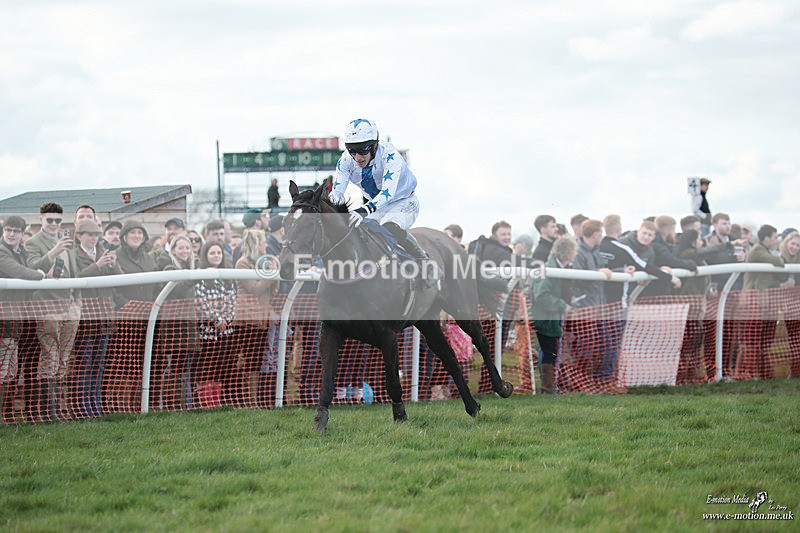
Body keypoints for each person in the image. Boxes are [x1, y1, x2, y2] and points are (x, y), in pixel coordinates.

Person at [330, 118, 429, 265]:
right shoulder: (345, 161)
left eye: (362, 150)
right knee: (357, 231)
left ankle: (422, 260)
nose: (357, 157)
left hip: (404, 201)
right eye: (352, 150)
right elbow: (336, 194)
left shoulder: (390, 156)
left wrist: (363, 211)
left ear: (374, 146)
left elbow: (387, 194)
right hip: (377, 206)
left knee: (389, 227)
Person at [25, 202, 80, 421]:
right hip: (47, 307)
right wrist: (54, 251)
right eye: (50, 220)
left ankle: (60, 408)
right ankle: (46, 411)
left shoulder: (68, 243)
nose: (54, 224)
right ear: (41, 220)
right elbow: (32, 268)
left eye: (58, 220)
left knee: (64, 358)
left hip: (69, 307)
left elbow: (74, 274)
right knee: (50, 356)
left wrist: (77, 302)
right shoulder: (32, 242)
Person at [69, 219, 122, 417]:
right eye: (89, 235)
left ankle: (95, 404)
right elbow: (76, 279)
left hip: (105, 315)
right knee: (84, 362)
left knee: (99, 363)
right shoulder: (74, 254)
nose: (94, 238)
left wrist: (114, 264)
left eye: (96, 235)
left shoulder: (104, 252)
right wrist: (98, 265)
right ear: (79, 236)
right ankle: (82, 407)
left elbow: (120, 278)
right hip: (86, 315)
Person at [109, 220, 158, 412]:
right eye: (132, 233)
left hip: (146, 319)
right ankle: (121, 406)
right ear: (124, 237)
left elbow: (155, 286)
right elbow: (111, 285)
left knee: (143, 360)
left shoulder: (149, 259)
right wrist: (124, 304)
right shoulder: (116, 256)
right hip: (124, 319)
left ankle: (140, 403)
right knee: (124, 362)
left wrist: (153, 304)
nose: (136, 236)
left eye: (140, 233)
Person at [0, 216, 45, 424]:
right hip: (4, 319)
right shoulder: (2, 251)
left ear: (22, 233)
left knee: (10, 368)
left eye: (16, 231)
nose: (11, 234)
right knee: (4, 367)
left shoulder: (22, 252)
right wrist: (40, 274)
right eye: (8, 229)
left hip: (15, 320)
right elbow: (18, 272)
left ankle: (6, 414)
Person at [739, 225, 789, 380]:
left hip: (763, 301)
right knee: (752, 340)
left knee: (763, 339)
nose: (776, 240)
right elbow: (778, 262)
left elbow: (780, 274)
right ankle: (748, 373)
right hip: (753, 301)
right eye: (774, 237)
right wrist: (782, 259)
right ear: (766, 238)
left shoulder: (763, 250)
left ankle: (763, 374)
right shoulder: (758, 251)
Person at [235, 228, 278, 408]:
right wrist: (271, 274)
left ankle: (255, 401)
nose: (266, 245)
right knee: (249, 361)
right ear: (256, 244)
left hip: (262, 319)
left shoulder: (264, 262)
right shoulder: (242, 263)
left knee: (258, 361)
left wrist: (273, 273)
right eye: (263, 242)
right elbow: (255, 288)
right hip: (247, 319)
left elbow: (272, 291)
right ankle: (248, 401)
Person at [532, 236, 578, 394]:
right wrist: (562, 304)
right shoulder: (549, 268)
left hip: (552, 318)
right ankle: (547, 389)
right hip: (546, 319)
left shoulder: (561, 268)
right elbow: (541, 296)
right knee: (549, 353)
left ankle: (550, 388)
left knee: (550, 353)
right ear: (568, 252)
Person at [157, 235, 199, 410]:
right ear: (173, 250)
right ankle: (171, 404)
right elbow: (180, 289)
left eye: (187, 248)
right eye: (181, 248)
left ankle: (185, 405)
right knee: (173, 366)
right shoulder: (168, 266)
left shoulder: (190, 266)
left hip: (188, 323)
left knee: (184, 367)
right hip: (173, 324)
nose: (184, 251)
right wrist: (196, 275)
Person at [194, 241, 237, 407]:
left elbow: (233, 300)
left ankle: (217, 401)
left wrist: (226, 319)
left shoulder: (228, 277)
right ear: (206, 255)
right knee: (207, 368)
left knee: (221, 367)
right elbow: (201, 302)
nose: (216, 256)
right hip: (208, 333)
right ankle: (206, 401)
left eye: (218, 253)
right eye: (212, 253)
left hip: (226, 331)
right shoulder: (201, 276)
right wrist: (216, 320)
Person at [778, 230, 800, 377]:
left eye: (798, 245)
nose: (795, 247)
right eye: (793, 243)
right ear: (786, 243)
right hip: (785, 304)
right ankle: (795, 371)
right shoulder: (778, 259)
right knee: (793, 338)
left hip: (797, 302)